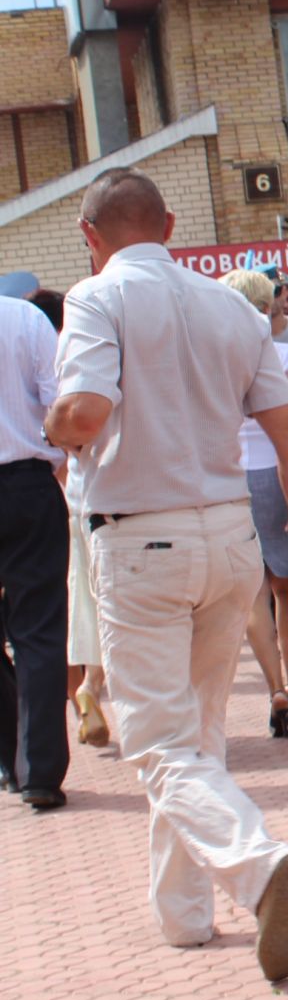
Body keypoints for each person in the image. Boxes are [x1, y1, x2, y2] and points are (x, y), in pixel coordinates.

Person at [45, 167, 288, 979]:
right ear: (170, 226)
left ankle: (254, 860)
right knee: (196, 738)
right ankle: (184, 916)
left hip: (142, 538)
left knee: (159, 744)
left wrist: (53, 424)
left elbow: (86, 412)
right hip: (228, 538)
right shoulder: (232, 307)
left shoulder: (96, 298)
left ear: (90, 237)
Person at [220, 269, 288, 738]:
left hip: (233, 473)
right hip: (275, 470)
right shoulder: (283, 352)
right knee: (285, 586)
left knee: (252, 590)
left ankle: (274, 683)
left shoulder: (215, 354)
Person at [1, 272, 67, 807]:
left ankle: (13, 760)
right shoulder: (24, 318)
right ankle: (39, 770)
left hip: (27, 476)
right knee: (38, 629)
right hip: (26, 483)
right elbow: (58, 408)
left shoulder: (25, 317)